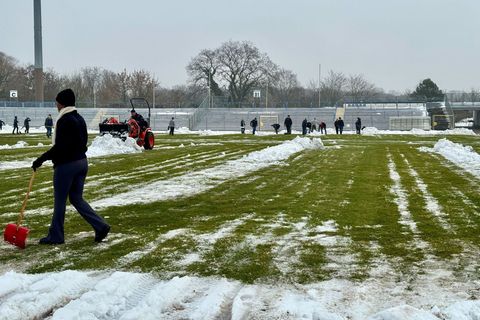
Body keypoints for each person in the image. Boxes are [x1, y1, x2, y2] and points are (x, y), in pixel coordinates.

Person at [31, 88, 110, 245]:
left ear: (62, 103)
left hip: (66, 166)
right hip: (82, 163)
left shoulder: (65, 120)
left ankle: (56, 235)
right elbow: (83, 142)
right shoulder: (79, 118)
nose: (56, 105)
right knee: (76, 198)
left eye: (57, 102)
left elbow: (60, 147)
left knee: (60, 201)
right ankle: (100, 226)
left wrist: (41, 159)